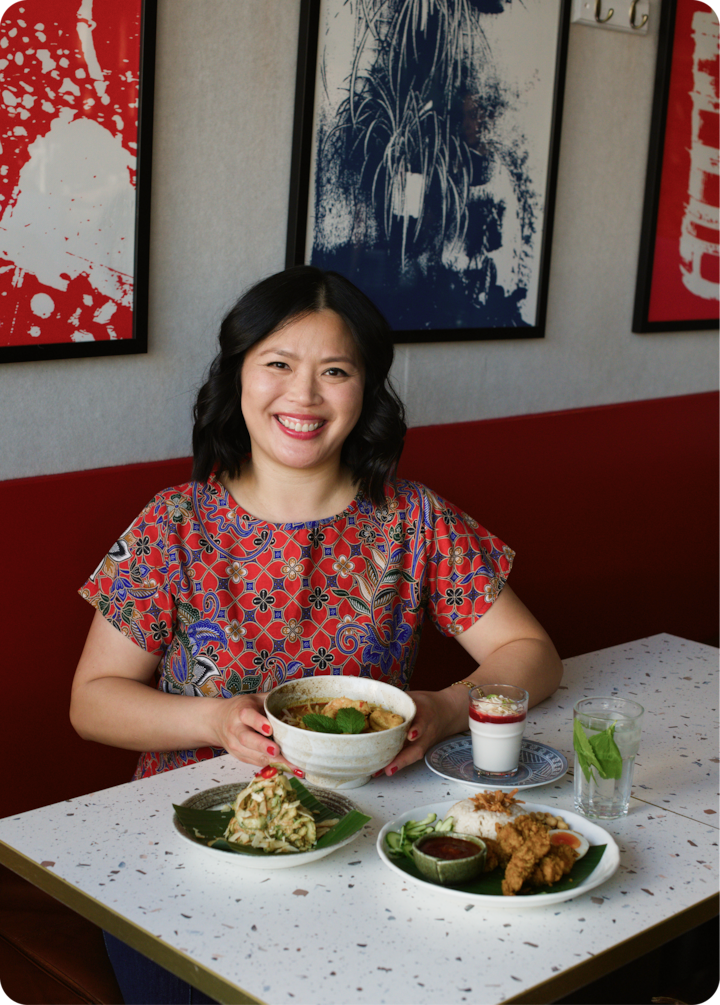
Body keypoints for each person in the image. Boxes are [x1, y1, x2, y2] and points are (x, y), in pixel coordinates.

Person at [69, 265, 562, 1003]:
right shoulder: (174, 523)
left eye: (335, 370)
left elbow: (534, 655)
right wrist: (211, 717)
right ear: (238, 376)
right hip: (193, 850)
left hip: (365, 837)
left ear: (366, 391)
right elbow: (92, 701)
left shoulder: (411, 519)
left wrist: (446, 705)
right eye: (277, 364)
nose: (303, 395)